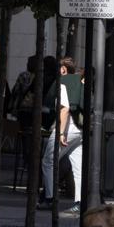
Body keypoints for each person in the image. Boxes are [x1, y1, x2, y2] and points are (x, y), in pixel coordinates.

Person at [39, 74, 83, 214]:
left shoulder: (63, 83)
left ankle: (49, 198)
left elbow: (64, 109)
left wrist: (61, 133)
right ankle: (80, 202)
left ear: (63, 70)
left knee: (48, 161)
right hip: (80, 129)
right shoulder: (78, 84)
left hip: (67, 128)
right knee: (78, 167)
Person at [60, 56, 84, 129]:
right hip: (78, 125)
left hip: (62, 124)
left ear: (64, 69)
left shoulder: (60, 81)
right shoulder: (80, 81)